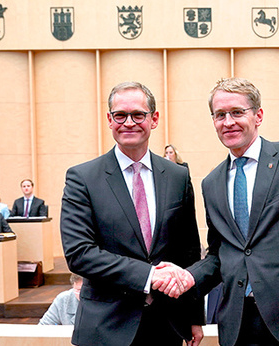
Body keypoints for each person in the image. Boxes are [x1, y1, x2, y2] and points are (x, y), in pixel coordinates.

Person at [157, 78, 279, 346]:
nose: (228, 121)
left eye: (237, 112)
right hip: (236, 325)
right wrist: (189, 276)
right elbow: (221, 254)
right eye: (220, 115)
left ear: (258, 116)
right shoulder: (212, 183)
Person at [60, 81, 204, 346]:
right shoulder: (83, 178)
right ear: (109, 119)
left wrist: (194, 315)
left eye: (138, 115)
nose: (129, 122)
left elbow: (189, 251)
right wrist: (149, 276)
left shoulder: (177, 176)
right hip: (106, 327)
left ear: (154, 119)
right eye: (120, 115)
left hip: (166, 325)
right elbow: (79, 253)